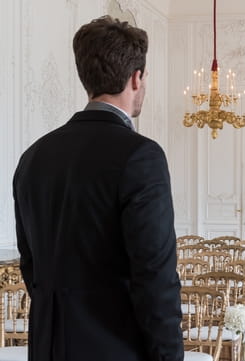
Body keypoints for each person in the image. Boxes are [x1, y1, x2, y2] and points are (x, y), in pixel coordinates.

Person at [13, 16, 183, 361]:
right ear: (136, 78)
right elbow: (155, 277)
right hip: (115, 349)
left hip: (47, 347)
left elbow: (31, 264)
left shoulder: (34, 156)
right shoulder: (141, 156)